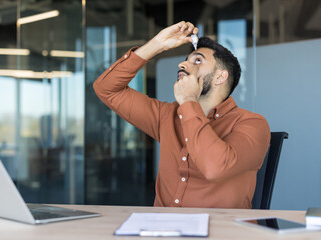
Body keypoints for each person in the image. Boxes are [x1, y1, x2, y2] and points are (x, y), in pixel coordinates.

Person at [93, 21, 270, 209]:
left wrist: (188, 102)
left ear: (220, 77)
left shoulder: (252, 123)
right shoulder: (167, 115)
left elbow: (214, 168)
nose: (182, 64)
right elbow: (106, 89)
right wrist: (157, 44)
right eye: (187, 59)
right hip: (162, 231)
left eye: (198, 60)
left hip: (221, 232)